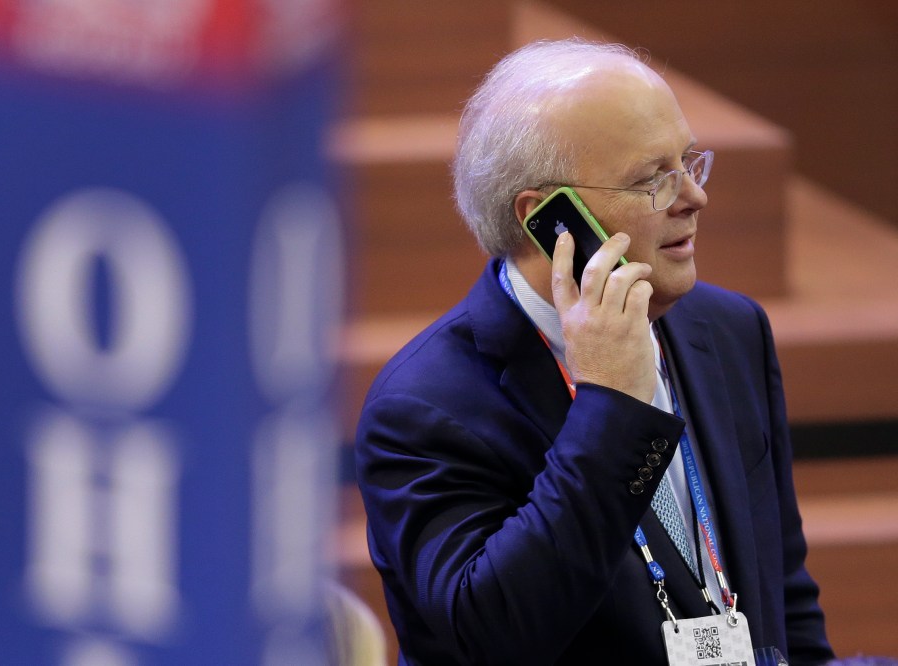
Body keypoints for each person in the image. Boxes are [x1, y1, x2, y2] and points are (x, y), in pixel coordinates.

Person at [354, 38, 835, 665]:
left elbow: (784, 601)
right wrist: (611, 406)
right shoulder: (423, 406)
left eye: (689, 162)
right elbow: (491, 635)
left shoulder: (728, 330)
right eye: (651, 180)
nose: (694, 197)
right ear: (548, 221)